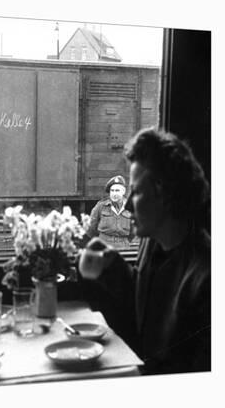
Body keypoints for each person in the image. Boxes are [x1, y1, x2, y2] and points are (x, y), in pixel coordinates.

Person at [79, 127, 210, 375]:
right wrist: (111, 265)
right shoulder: (153, 244)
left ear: (165, 195)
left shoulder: (207, 279)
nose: (127, 204)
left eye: (136, 192)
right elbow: (143, 324)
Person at [87, 175, 133, 249]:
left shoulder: (130, 207)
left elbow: (133, 232)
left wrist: (123, 240)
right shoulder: (101, 206)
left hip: (123, 246)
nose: (114, 194)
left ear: (123, 191)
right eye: (112, 191)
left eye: (117, 191)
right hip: (104, 245)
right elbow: (91, 228)